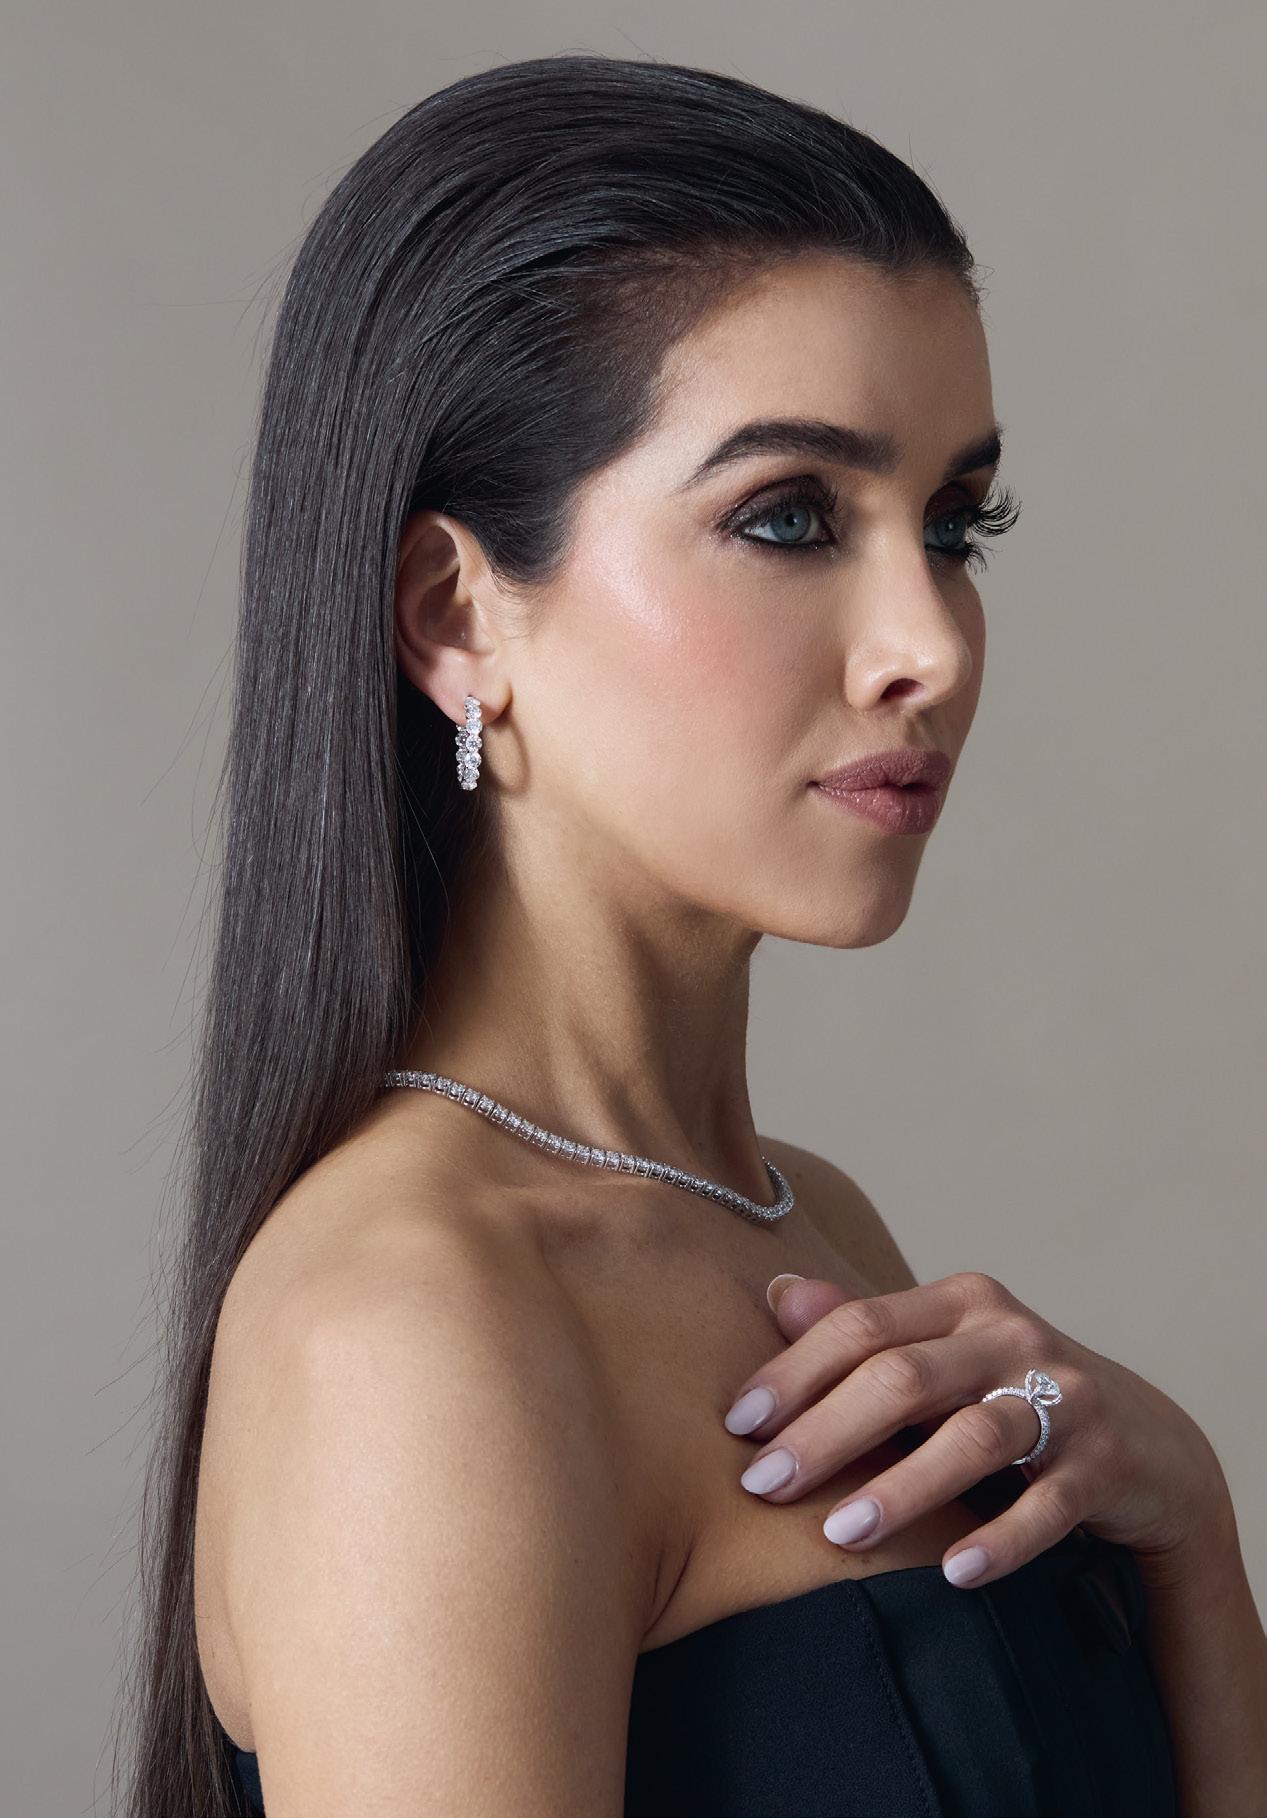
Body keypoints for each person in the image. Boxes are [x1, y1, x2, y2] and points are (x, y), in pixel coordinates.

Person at [115, 50, 1263, 1818]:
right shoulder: (413, 1329)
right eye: (789, 516)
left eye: (953, 523)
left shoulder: (809, 1220)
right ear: (455, 614)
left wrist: (1186, 1529)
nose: (931, 644)